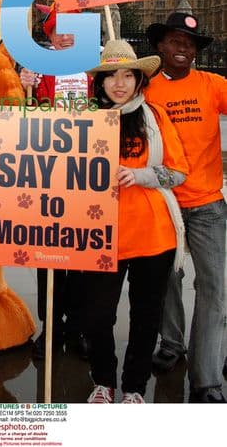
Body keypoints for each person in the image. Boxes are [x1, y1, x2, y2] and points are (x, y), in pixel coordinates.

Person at [83, 39, 188, 403]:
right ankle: (103, 382)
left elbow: (177, 172)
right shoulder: (85, 118)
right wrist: (28, 85)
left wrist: (140, 175)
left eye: (128, 75)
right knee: (96, 317)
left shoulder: (154, 118)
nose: (120, 83)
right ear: (101, 82)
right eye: (112, 75)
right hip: (99, 236)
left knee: (146, 318)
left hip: (153, 236)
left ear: (139, 80)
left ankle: (134, 387)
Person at [145, 11, 227, 403]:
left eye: (190, 44)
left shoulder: (213, 84)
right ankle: (171, 343)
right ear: (160, 46)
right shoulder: (147, 91)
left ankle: (207, 377)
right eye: (176, 41)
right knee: (167, 282)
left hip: (209, 204)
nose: (184, 49)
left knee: (212, 288)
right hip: (165, 203)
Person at [19, 1, 93, 360]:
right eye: (59, 30)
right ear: (49, 35)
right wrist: (23, 88)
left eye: (72, 31)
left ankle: (75, 325)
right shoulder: (38, 70)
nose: (66, 37)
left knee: (79, 258)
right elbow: (21, 116)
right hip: (47, 176)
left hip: (82, 178)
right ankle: (50, 325)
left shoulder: (93, 73)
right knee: (46, 257)